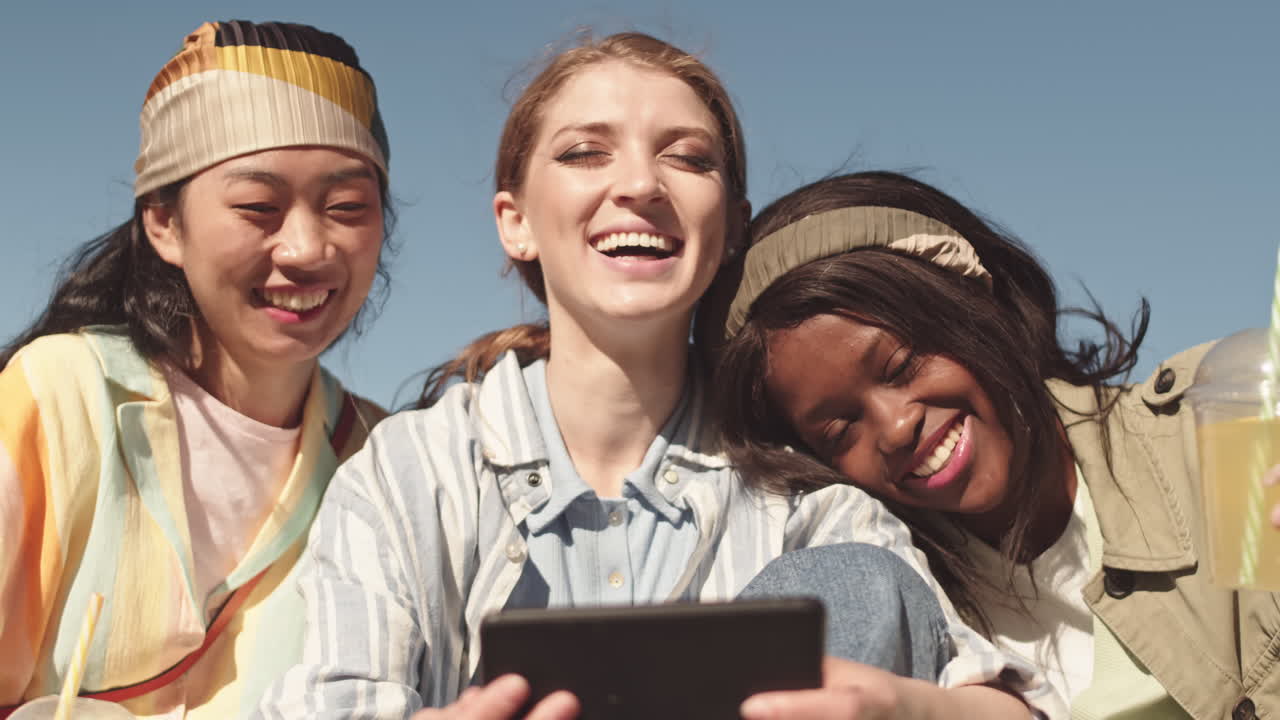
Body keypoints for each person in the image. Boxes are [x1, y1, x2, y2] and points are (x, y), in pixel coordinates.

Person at [256, 34, 1061, 720]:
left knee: (858, 581)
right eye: (584, 152)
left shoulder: (800, 495)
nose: (641, 185)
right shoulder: (410, 474)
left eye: (688, 157)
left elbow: (999, 700)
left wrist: (906, 707)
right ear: (516, 221)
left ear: (732, 225)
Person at [706, 169, 1278, 719]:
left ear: (975, 303)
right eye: (839, 430)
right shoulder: (903, 600)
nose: (896, 427)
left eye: (902, 365)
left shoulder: (1219, 434)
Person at [0, 19, 391, 718]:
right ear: (164, 224)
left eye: (347, 208)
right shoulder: (61, 396)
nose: (306, 248)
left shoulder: (381, 459)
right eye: (258, 208)